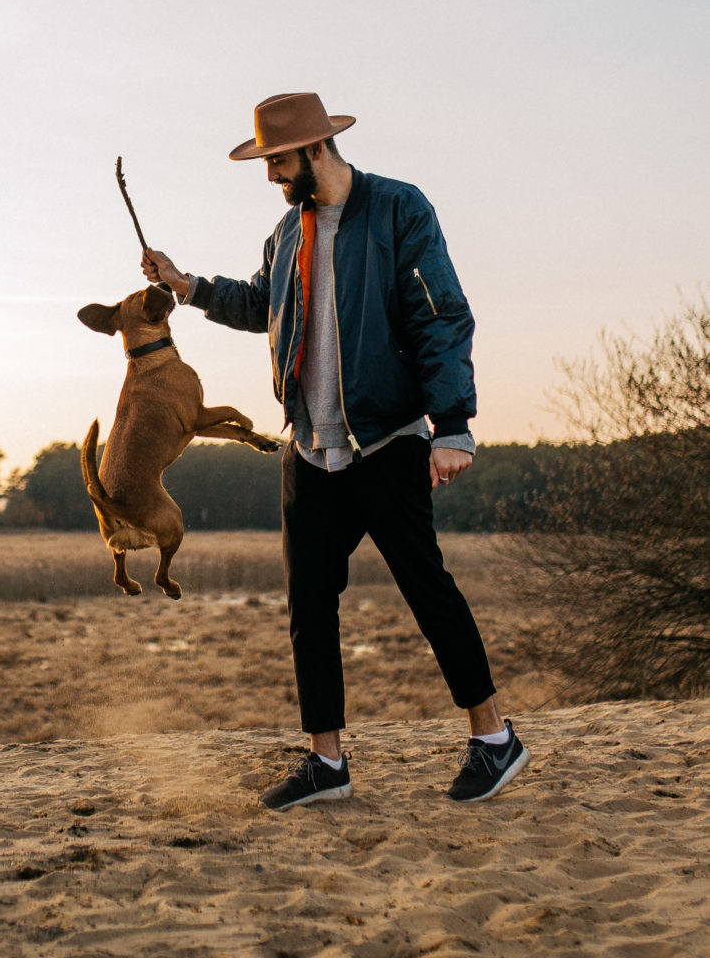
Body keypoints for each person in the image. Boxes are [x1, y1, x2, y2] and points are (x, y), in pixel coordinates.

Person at [142, 92, 530, 810]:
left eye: (277, 161)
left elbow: (439, 314)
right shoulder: (286, 233)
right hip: (311, 451)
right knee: (308, 605)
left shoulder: (398, 211)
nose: (269, 176)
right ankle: (327, 762)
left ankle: (494, 740)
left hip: (386, 441)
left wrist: (450, 425)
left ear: (316, 149)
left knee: (426, 588)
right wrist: (187, 286)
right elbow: (261, 305)